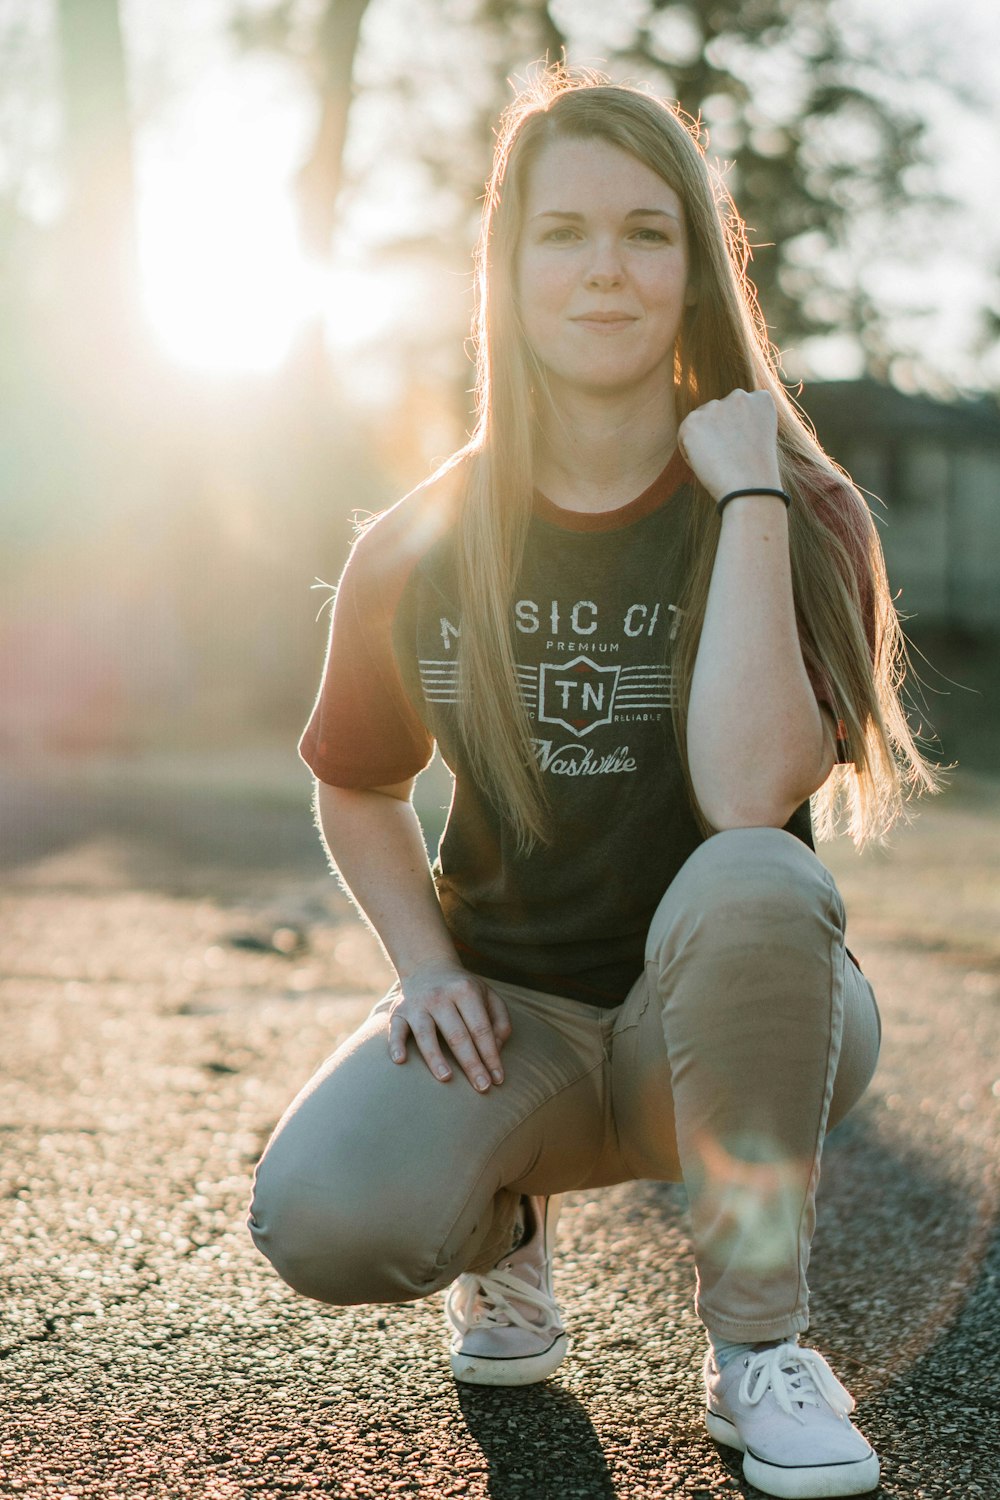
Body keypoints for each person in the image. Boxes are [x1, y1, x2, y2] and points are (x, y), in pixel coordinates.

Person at [248, 67, 937, 1500]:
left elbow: (751, 790)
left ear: (696, 268)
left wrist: (744, 489)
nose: (604, 271)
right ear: (507, 268)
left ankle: (758, 1353)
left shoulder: (804, 511)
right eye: (562, 234)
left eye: (644, 232)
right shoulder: (418, 537)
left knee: (757, 871)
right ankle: (503, 1230)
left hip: (745, 1030)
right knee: (322, 1218)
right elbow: (358, 784)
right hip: (523, 1027)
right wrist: (425, 971)